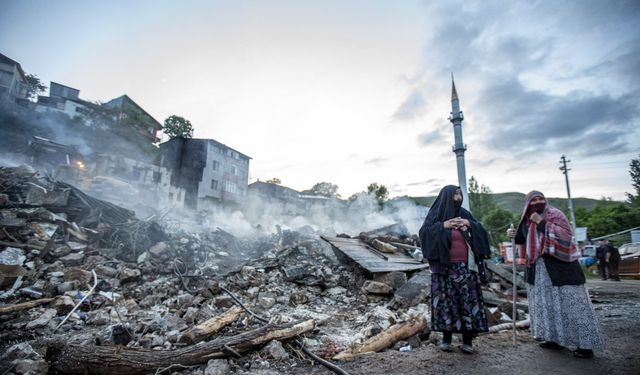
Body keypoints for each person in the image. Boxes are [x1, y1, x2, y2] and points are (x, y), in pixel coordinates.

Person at [507, 191, 603, 359]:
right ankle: (553, 339)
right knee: (546, 305)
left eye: (541, 199)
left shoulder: (555, 214)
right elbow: (523, 239)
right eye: (534, 200)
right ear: (528, 203)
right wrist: (514, 235)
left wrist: (542, 222)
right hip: (538, 269)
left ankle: (585, 345)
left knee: (572, 305)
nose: (538, 202)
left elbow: (566, 236)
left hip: (561, 268)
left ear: (546, 200)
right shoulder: (526, 217)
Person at [419, 185, 490, 354]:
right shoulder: (436, 215)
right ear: (446, 197)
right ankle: (446, 340)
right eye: (455, 194)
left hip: (466, 268)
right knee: (446, 303)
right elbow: (424, 233)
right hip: (444, 269)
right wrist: (443, 225)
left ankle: (467, 341)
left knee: (466, 302)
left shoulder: (465, 215)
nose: (458, 198)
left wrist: (469, 224)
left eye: (459, 194)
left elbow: (482, 232)